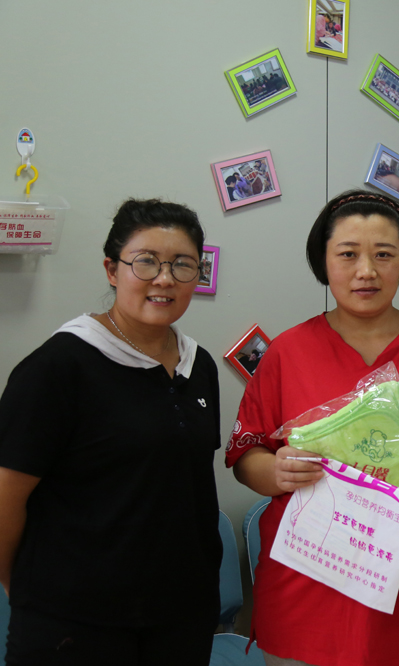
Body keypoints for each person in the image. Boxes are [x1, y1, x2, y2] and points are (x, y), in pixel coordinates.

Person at [226, 189, 399, 666]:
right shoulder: (287, 352)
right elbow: (245, 456)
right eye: (348, 254)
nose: (366, 271)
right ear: (323, 261)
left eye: (383, 255)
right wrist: (275, 472)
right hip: (305, 577)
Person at [0, 199, 222, 665]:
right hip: (75, 622)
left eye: (182, 264)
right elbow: (5, 497)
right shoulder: (59, 366)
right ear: (112, 270)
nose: (164, 278)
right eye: (146, 261)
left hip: (181, 614)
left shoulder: (198, 365)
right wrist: (24, 590)